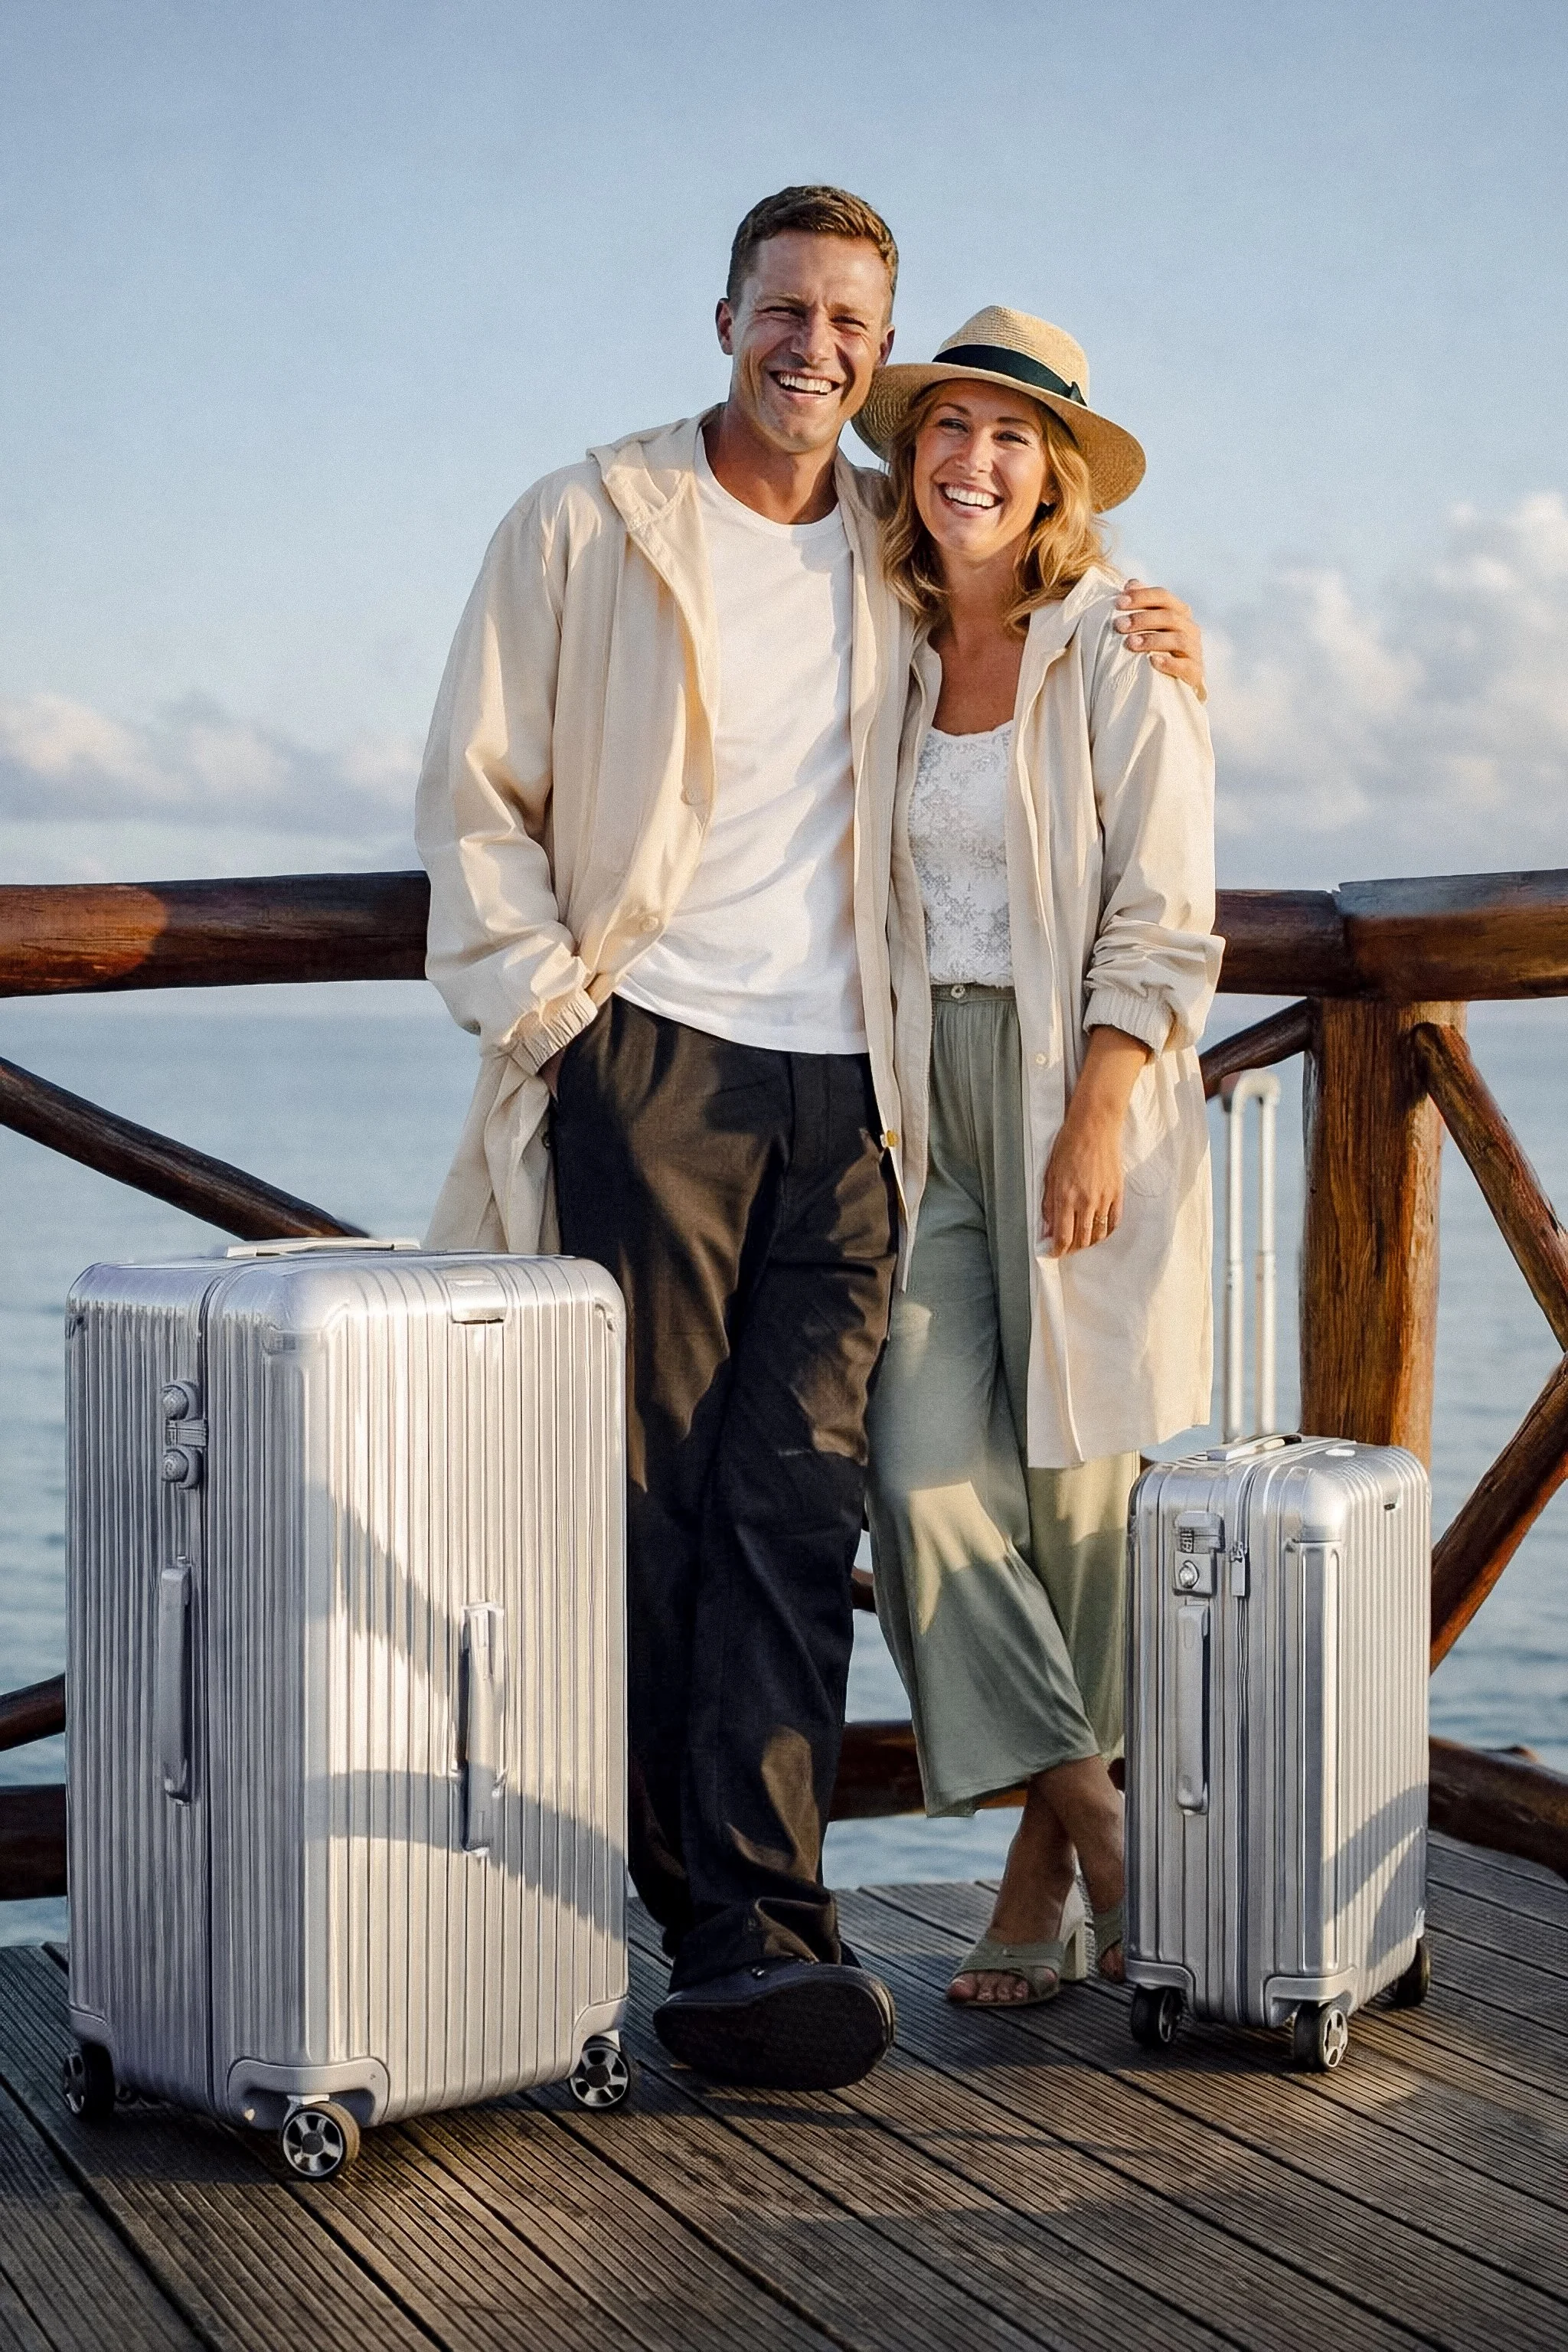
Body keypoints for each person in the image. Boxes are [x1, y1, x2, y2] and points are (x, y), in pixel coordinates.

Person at [415, 194, 1206, 2088]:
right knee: (656, 1501)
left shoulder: (893, 543)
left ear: (878, 346)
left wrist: (1160, 632)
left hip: (859, 1092)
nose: (818, 346)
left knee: (799, 1503)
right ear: (725, 319)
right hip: (655, 1065)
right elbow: (472, 795)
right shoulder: (588, 523)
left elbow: (1055, 660)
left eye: (853, 320)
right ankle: (686, 1920)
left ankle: (771, 1930)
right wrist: (562, 1029)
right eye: (788, 310)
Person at [858, 309, 1220, 2007]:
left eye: (1011, 436)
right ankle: (1102, 1831)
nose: (973, 460)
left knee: (1077, 1497)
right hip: (916, 1101)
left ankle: (1031, 1873)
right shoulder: (876, 636)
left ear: (1054, 473)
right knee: (923, 1473)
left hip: (1088, 1082)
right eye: (948, 427)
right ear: (909, 449)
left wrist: (1093, 1108)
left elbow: (1168, 911)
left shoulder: (1121, 649)